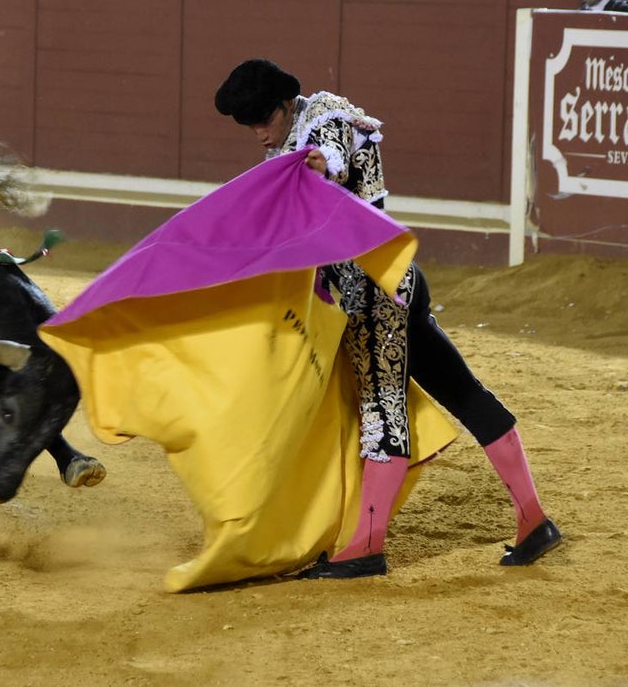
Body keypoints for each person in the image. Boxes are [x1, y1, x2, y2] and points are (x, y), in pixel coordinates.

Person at [213, 59, 563, 580]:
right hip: (394, 284)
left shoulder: (322, 126)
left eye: (264, 119)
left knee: (382, 409)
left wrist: (313, 164)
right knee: (462, 392)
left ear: (288, 105)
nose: (259, 133)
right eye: (250, 126)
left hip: (375, 297)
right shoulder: (313, 123)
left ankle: (365, 548)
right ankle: (534, 523)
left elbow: (327, 157)